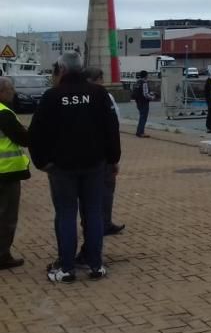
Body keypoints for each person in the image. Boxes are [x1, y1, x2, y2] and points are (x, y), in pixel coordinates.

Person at [30, 52, 121, 283]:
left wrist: (43, 162)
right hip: (94, 164)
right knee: (93, 213)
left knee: (66, 214)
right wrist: (112, 159)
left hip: (61, 167)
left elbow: (36, 134)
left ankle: (67, 267)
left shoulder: (51, 97)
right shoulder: (99, 94)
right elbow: (112, 129)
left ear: (61, 69)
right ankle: (95, 264)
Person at [85, 68, 124, 236]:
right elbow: (113, 125)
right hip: (103, 154)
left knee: (87, 194)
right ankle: (103, 224)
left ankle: (90, 223)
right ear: (98, 79)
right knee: (106, 190)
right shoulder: (104, 96)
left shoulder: (78, 96)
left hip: (84, 154)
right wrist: (114, 158)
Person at [0, 77, 30, 270]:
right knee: (6, 217)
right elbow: (23, 138)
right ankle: (3, 255)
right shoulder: (4, 113)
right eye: (11, 89)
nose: (14, 92)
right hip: (6, 172)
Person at [133, 70, 156, 138]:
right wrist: (152, 97)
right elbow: (145, 94)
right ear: (146, 75)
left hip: (138, 101)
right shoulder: (144, 83)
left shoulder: (137, 82)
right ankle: (141, 132)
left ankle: (139, 131)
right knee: (143, 117)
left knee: (141, 116)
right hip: (144, 102)